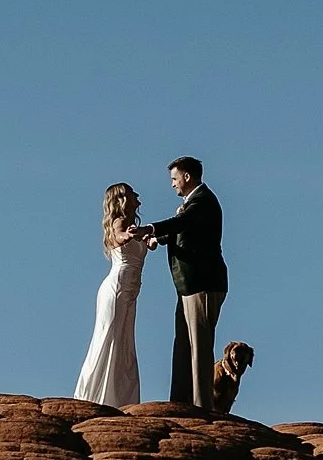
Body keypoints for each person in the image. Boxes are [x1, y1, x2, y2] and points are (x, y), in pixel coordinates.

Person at [146, 157, 226, 415]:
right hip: (188, 287)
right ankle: (179, 402)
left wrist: (151, 228)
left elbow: (183, 223)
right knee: (183, 344)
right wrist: (156, 237)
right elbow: (182, 230)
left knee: (200, 347)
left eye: (174, 178)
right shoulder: (192, 205)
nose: (172, 185)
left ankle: (202, 408)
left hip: (203, 284)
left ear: (187, 177)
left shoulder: (202, 201)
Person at [72, 183, 147, 406]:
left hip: (129, 291)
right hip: (116, 289)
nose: (137, 196)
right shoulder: (119, 222)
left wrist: (147, 237)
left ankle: (120, 398)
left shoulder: (134, 225)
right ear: (122, 199)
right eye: (133, 193)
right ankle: (92, 395)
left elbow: (145, 242)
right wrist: (129, 236)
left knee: (123, 341)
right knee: (108, 338)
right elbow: (118, 236)